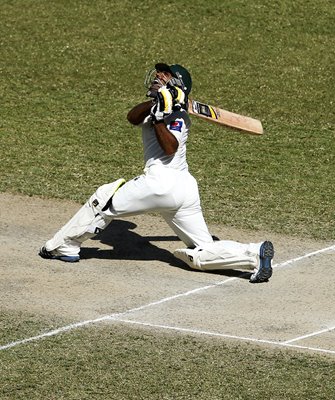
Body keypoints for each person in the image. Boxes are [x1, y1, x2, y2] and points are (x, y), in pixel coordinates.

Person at [39, 63, 274, 283]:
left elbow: (170, 147)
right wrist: (156, 105)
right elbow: (132, 117)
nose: (157, 76)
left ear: (175, 84)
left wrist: (162, 116)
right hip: (183, 190)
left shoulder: (177, 115)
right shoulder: (159, 107)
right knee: (201, 250)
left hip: (161, 182)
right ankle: (254, 254)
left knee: (104, 198)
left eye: (164, 75)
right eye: (159, 73)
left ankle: (63, 245)